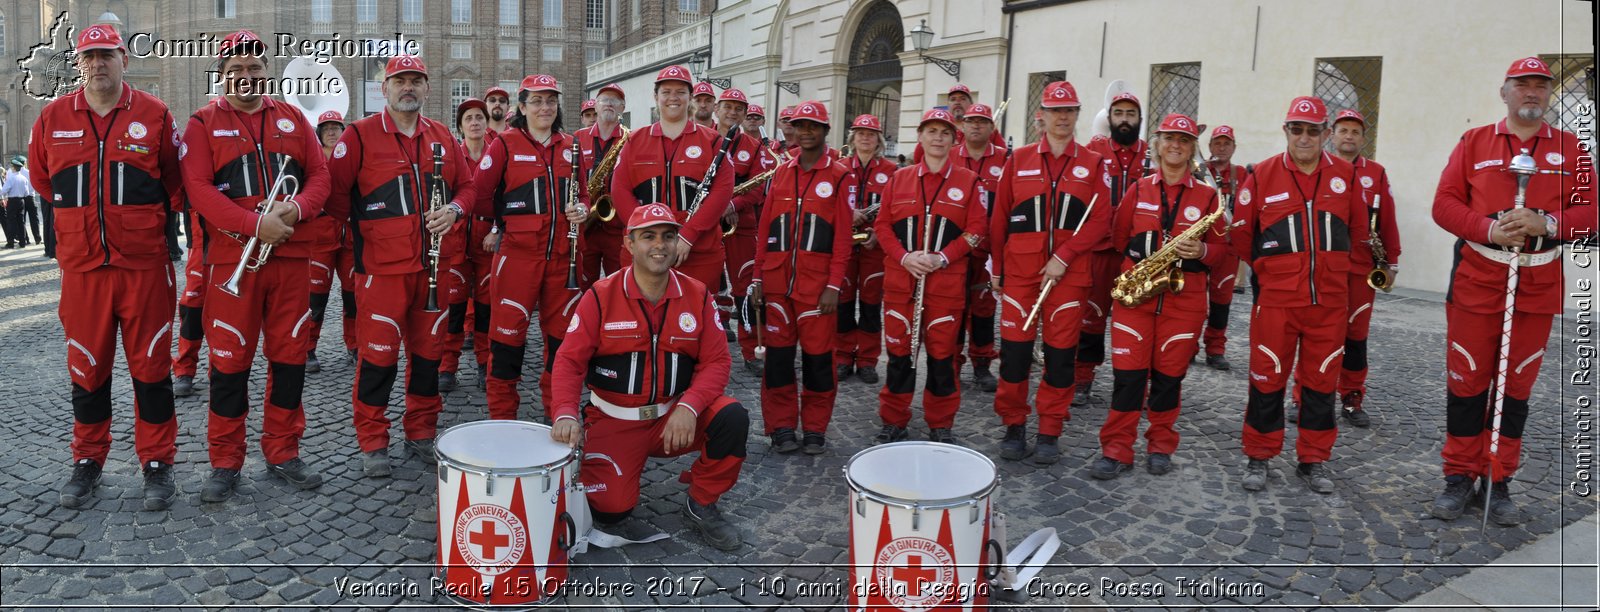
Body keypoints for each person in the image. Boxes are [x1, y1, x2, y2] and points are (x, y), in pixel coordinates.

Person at [1429, 57, 1594, 524]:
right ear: (1504, 92)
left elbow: (1591, 213)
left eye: (1541, 86)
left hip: (1538, 283)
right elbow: (1444, 204)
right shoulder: (1474, 141)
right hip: (1479, 279)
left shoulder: (1572, 149)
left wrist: (1551, 222)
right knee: (1467, 380)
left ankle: (1498, 478)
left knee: (1515, 386)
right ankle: (1458, 476)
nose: (1532, 93)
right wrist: (1486, 228)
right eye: (1523, 85)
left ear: (1549, 95)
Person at [28, 24, 184, 510]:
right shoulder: (52, 118)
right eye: (89, 56)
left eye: (107, 55)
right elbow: (42, 181)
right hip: (83, 271)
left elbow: (176, 183)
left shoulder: (155, 114)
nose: (98, 64)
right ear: (79, 62)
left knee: (152, 369)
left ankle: (157, 463)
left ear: (124, 59)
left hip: (144, 268)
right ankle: (87, 460)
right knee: (87, 369)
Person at [180, 30, 331, 501]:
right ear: (222, 76)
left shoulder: (292, 118)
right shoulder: (202, 124)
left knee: (289, 362)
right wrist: (253, 225)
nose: (246, 76)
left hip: (289, 258)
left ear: (266, 72)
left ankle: (284, 450)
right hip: (232, 262)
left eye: (254, 68)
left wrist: (298, 209)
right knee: (228, 365)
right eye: (236, 70)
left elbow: (320, 175)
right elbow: (199, 191)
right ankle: (225, 461)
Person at [549, 203, 750, 551]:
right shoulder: (600, 295)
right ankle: (618, 481)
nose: (660, 245)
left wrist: (689, 406)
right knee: (610, 512)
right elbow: (568, 361)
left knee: (731, 417)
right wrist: (565, 412)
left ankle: (701, 503)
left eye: (668, 237)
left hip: (673, 418)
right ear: (629, 244)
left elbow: (717, 362)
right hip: (614, 421)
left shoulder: (698, 295)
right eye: (648, 237)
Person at [323, 54, 478, 478]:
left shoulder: (444, 136)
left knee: (428, 357)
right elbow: (336, 200)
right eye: (399, 81)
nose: (408, 87)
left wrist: (456, 210)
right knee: (378, 360)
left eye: (416, 80)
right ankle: (373, 440)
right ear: (384, 88)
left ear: (427, 88)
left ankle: (422, 431)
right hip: (382, 273)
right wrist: (367, 242)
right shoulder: (357, 136)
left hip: (435, 268)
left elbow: (468, 186)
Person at [1232, 96, 1367, 494]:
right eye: (1297, 129)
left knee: (1321, 384)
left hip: (1328, 304)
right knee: (1266, 379)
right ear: (1286, 131)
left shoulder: (1346, 175)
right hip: (1276, 302)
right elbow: (1242, 237)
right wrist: (1271, 272)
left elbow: (1358, 233)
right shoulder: (1261, 175)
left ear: (1326, 133)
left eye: (1312, 130)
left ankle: (1314, 460)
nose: (1304, 137)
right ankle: (1259, 455)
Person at [1092, 114, 1226, 479]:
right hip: (1136, 299)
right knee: (1128, 378)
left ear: (1191, 147)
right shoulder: (1138, 189)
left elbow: (1223, 253)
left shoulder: (1209, 197)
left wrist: (1201, 252)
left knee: (1169, 379)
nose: (1176, 145)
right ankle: (1117, 448)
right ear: (1157, 143)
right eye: (1169, 138)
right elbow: (1119, 239)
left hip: (1185, 302)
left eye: (1183, 140)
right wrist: (1134, 273)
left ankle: (1160, 445)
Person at [988, 81, 1110, 465]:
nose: (1063, 117)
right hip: (1021, 275)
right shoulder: (1018, 159)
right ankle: (1014, 424)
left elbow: (1101, 219)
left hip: (1069, 276)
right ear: (1041, 114)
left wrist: (1066, 255)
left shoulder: (1093, 163)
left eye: (1070, 110)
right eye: (1056, 110)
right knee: (1014, 355)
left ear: (1076, 115)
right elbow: (999, 218)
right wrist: (998, 267)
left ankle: (1050, 430)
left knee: (1060, 358)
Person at [469, 74, 584, 421]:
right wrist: (506, 222)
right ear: (522, 106)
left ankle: (558, 414)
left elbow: (586, 195)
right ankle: (502, 419)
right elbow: (480, 194)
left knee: (561, 345)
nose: (545, 107)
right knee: (506, 343)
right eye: (536, 100)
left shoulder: (571, 145)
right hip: (518, 260)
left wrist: (585, 209)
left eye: (551, 100)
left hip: (564, 262)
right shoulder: (504, 144)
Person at [874, 108, 988, 445]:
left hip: (946, 286)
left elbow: (978, 229)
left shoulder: (969, 181)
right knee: (899, 357)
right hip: (901, 284)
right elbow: (881, 226)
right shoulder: (900, 178)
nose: (938, 138)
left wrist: (942, 257)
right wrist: (905, 257)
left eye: (945, 133)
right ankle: (894, 419)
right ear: (921, 136)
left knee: (942, 360)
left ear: (955, 139)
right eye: (931, 132)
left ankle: (941, 422)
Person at [749, 101, 853, 455]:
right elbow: (765, 230)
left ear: (825, 130)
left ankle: (814, 428)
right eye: (800, 125)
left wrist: (834, 285)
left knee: (818, 362)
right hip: (778, 286)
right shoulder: (781, 172)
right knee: (777, 363)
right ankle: (780, 427)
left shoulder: (839, 175)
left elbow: (842, 239)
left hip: (817, 289)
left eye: (813, 126)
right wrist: (758, 277)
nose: (806, 131)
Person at [607, 65, 735, 292]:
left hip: (698, 251)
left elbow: (722, 191)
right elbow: (619, 189)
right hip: (644, 250)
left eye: (680, 92)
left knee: (695, 320)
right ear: (655, 96)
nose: (672, 98)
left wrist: (688, 235)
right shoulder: (634, 141)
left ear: (690, 97)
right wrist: (643, 234)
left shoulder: (712, 141)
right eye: (666, 92)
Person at [1320, 109, 1400, 428]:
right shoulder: (1319, 167)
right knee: (1318, 332)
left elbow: (1389, 220)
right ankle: (1304, 395)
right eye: (1343, 130)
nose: (1349, 136)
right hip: (1325, 266)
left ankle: (1352, 396)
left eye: (1355, 131)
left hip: (1360, 268)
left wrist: (1391, 260)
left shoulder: (1376, 173)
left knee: (1356, 336)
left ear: (1363, 139)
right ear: (1332, 135)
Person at [1080, 91, 1151, 406]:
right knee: (1091, 317)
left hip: (1138, 255)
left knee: (1137, 320)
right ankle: (1082, 378)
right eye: (1118, 113)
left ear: (1139, 119)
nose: (1124, 119)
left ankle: (1134, 383)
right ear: (1110, 118)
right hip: (1097, 250)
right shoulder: (1092, 152)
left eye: (1130, 114)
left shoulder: (1153, 154)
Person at [438, 99, 496, 392]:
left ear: (486, 124)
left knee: (486, 309)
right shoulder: (450, 156)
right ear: (460, 126)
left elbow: (508, 197)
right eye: (469, 118)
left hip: (487, 242)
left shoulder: (497, 155)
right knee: (455, 308)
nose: (475, 122)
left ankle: (486, 364)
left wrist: (498, 230)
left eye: (479, 117)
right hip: (456, 241)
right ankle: (447, 366)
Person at [836, 114, 897, 385]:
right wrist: (849, 214)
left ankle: (868, 360)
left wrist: (878, 234)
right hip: (845, 247)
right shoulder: (838, 168)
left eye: (871, 134)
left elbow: (896, 210)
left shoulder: (893, 171)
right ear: (852, 137)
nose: (865, 137)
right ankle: (842, 357)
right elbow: (828, 205)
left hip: (874, 248)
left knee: (871, 306)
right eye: (860, 132)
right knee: (843, 305)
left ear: (879, 140)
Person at [712, 87, 768, 370]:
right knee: (702, 287)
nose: (732, 112)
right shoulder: (700, 139)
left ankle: (751, 349)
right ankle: (702, 349)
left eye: (738, 109)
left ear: (745, 114)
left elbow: (757, 188)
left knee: (746, 288)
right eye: (727, 107)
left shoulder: (754, 146)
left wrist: (732, 206)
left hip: (740, 226)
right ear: (716, 109)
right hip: (706, 223)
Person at [954, 102, 1006, 392]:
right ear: (962, 125)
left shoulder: (1005, 159)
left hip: (988, 251)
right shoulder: (950, 156)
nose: (975, 126)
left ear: (991, 128)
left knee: (984, 311)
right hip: (955, 249)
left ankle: (982, 364)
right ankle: (951, 362)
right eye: (971, 121)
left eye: (982, 122)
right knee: (953, 308)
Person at [306, 109, 356, 372]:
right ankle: (308, 347)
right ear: (320, 133)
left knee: (353, 297)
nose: (332, 132)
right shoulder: (312, 161)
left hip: (349, 238)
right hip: (321, 238)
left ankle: (355, 344)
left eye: (336, 127)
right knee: (316, 299)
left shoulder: (352, 158)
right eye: (327, 129)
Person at [1200, 125, 1247, 371]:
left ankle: (1215, 348)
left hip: (1228, 247)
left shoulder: (1241, 175)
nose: (1222, 147)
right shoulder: (1198, 170)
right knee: (1193, 298)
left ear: (1234, 148)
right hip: (1200, 244)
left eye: (1227, 143)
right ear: (1209, 146)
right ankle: (1187, 345)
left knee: (1221, 301)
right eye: (1217, 143)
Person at [575, 83, 629, 287]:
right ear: (595, 106)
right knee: (583, 285)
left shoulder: (630, 139)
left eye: (615, 101)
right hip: (586, 226)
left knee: (619, 283)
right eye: (604, 100)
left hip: (616, 227)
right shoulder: (577, 138)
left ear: (622, 107)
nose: (609, 104)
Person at [3, 159, 32, 248]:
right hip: (21, 201)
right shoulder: (24, 178)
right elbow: (27, 193)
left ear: (14, 168)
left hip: (12, 201)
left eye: (12, 166)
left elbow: (3, 190)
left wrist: (5, 195)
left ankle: (10, 243)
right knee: (21, 221)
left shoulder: (11, 178)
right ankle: (22, 242)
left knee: (11, 221)